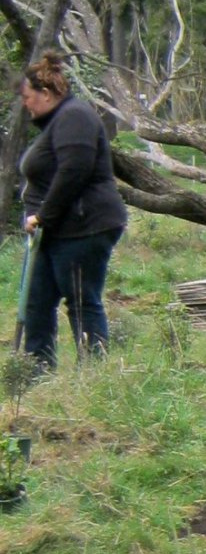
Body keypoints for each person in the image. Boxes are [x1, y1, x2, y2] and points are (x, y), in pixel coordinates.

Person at [17, 52, 128, 371]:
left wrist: (43, 216)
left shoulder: (74, 117)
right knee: (36, 303)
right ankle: (35, 375)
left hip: (83, 227)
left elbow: (74, 171)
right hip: (53, 233)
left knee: (81, 302)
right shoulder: (58, 121)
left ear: (46, 94)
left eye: (28, 98)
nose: (26, 104)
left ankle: (93, 377)